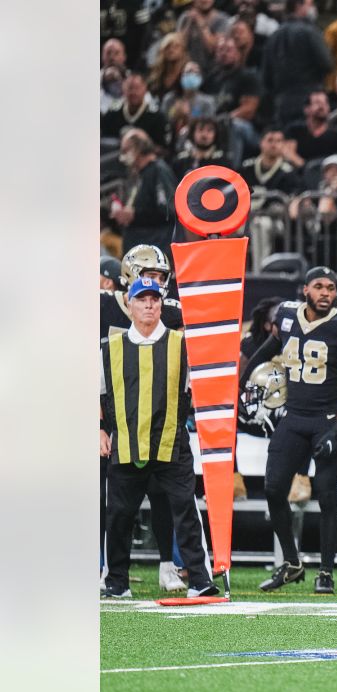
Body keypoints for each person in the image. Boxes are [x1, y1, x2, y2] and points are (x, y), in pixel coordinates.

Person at [240, 268, 337, 594]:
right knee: (273, 488)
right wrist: (243, 379)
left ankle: (325, 571)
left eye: (331, 288)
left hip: (326, 419)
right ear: (306, 289)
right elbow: (270, 346)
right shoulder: (286, 315)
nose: (326, 293)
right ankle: (292, 564)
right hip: (293, 417)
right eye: (319, 287)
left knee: (326, 497)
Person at [100, 277, 218, 600]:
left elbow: (202, 390)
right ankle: (116, 582)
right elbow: (96, 392)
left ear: (161, 304)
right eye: (142, 299)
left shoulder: (183, 345)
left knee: (186, 511)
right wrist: (99, 429)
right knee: (119, 515)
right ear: (130, 303)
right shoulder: (109, 347)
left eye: (154, 299)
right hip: (126, 442)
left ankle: (199, 579)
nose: (149, 305)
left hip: (171, 441)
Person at [100, 246, 187, 592]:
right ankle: (110, 570)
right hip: (117, 422)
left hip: (162, 421)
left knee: (165, 496)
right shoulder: (103, 305)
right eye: (150, 277)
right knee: (115, 506)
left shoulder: (171, 312)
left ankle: (169, 564)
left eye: (161, 279)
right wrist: (100, 426)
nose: (156, 287)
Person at [263, 0, 335, 126]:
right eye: (310, 4)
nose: (313, 8)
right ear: (298, 5)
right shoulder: (310, 32)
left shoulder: (273, 37)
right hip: (309, 101)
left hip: (282, 103)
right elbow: (326, 64)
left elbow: (266, 78)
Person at [112, 129, 178, 256]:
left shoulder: (159, 170)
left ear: (138, 148)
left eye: (125, 150)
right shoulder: (137, 173)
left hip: (155, 248)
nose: (122, 156)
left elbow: (168, 211)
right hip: (137, 247)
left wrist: (135, 215)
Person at [101, 73, 169, 150]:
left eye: (137, 88)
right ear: (123, 89)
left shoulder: (157, 117)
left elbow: (163, 148)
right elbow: (103, 141)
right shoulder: (112, 114)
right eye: (130, 88)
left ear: (145, 89)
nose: (133, 92)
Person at [284, 91, 337, 165]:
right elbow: (289, 154)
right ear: (307, 109)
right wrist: (307, 168)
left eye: (325, 103)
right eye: (317, 103)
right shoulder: (295, 131)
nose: (322, 106)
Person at [241, 127, 303, 194]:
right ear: (261, 142)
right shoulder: (246, 167)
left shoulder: (288, 172)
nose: (274, 145)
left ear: (283, 144)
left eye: (278, 141)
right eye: (270, 140)